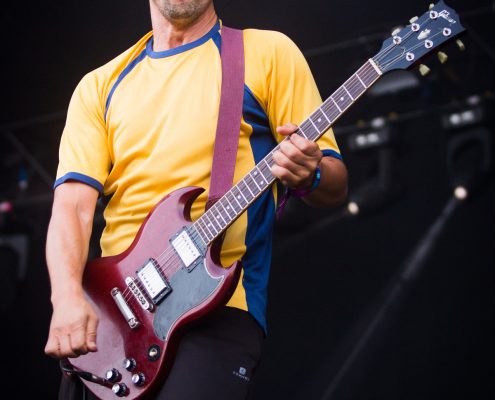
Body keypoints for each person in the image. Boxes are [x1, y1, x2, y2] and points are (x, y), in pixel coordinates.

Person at [44, 0, 348, 399]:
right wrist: (66, 298)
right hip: (112, 323)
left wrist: (311, 174)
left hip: (218, 309)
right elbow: (72, 207)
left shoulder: (268, 53)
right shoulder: (99, 86)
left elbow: (335, 183)